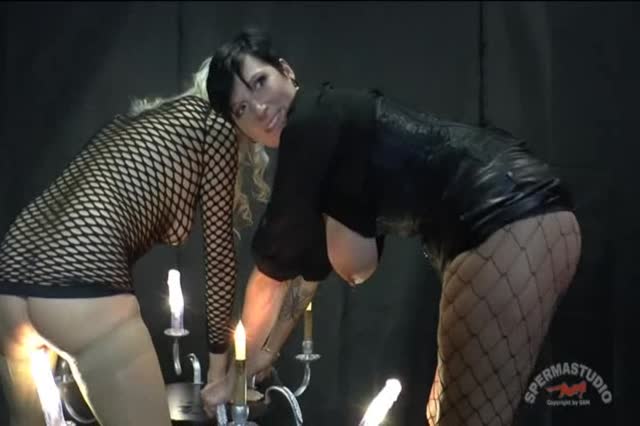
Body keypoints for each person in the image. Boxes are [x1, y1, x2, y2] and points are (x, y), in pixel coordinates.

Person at [201, 28, 582, 426]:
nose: (260, 108)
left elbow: (270, 278)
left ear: (286, 71)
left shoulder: (309, 121)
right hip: (523, 219)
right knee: (443, 414)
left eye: (260, 82)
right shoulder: (327, 140)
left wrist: (233, 380)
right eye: (241, 109)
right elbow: (306, 277)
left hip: (506, 214)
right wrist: (263, 356)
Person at [0, 56, 271, 426]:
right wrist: (218, 371)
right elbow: (220, 259)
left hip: (8, 283)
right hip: (78, 285)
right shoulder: (217, 126)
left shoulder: (129, 127)